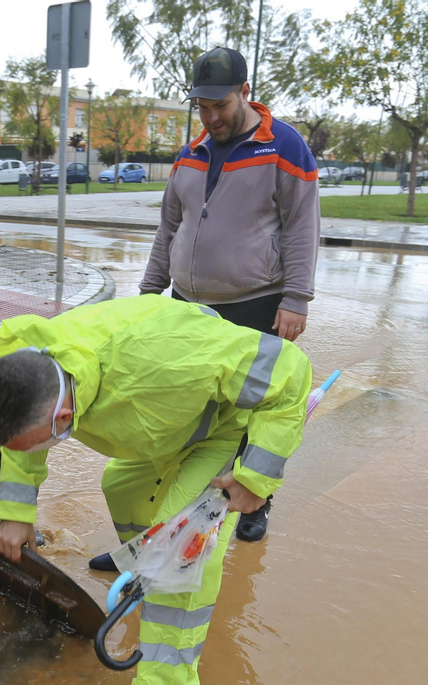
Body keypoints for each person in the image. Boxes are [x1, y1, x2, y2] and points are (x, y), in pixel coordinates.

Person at [0, 294, 312, 685]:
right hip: (164, 427)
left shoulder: (170, 358)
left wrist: (255, 477)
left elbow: (290, 369)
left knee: (180, 551)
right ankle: (143, 565)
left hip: (223, 428)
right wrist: (15, 514)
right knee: (122, 488)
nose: (28, 455)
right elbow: (23, 444)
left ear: (65, 418)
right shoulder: (34, 366)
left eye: (36, 445)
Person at [138, 46, 320, 546]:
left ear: (245, 92)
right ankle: (181, 504)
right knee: (188, 409)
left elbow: (303, 227)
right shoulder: (190, 154)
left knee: (252, 408)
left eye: (219, 105)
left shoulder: (283, 146)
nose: (211, 116)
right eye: (202, 106)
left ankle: (255, 498)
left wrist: (296, 298)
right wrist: (148, 294)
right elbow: (168, 229)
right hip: (189, 305)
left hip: (255, 301)